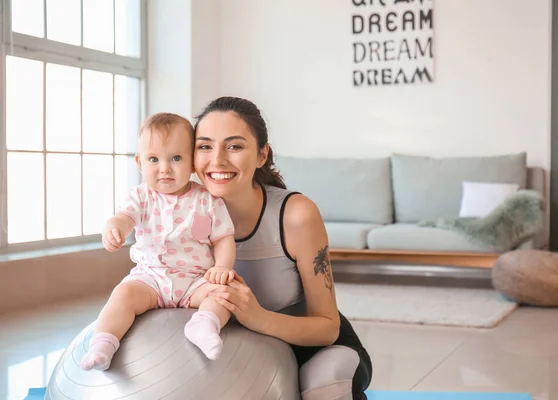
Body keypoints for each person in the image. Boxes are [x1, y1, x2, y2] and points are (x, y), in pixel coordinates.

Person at [193, 97, 373, 399]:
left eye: (235, 146)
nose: (218, 160)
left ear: (262, 154)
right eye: (205, 146)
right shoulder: (184, 213)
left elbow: (327, 327)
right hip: (240, 349)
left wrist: (258, 317)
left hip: (314, 351)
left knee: (323, 382)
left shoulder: (296, 214)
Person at [80, 113, 237, 371]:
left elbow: (223, 239)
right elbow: (123, 218)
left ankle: (204, 324)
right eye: (154, 159)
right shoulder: (141, 197)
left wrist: (222, 266)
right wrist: (114, 228)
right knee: (123, 295)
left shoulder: (207, 199)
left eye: (176, 158)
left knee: (223, 295)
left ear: (193, 163)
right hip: (150, 278)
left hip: (195, 279)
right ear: (140, 163)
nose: (164, 168)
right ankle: (103, 343)